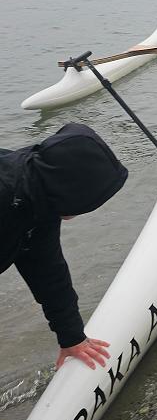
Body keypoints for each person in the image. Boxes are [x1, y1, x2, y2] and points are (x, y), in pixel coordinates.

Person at [0, 123, 128, 370]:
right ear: (70, 189)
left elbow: (48, 272)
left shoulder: (38, 197)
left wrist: (72, 337)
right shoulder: (11, 196)